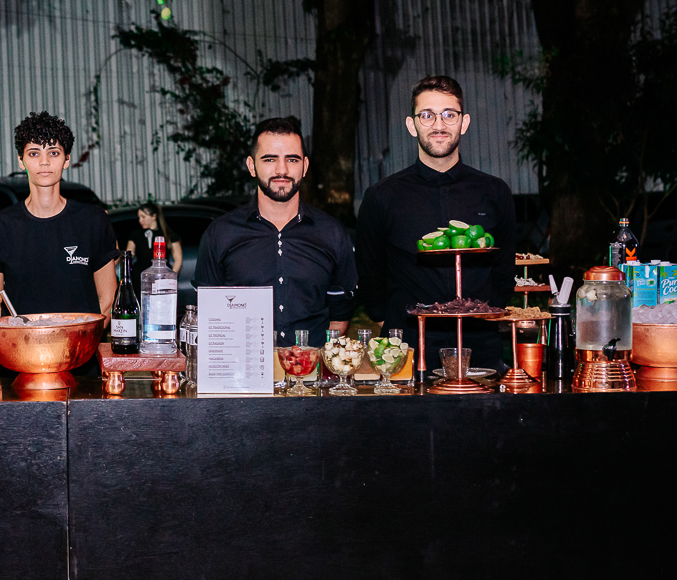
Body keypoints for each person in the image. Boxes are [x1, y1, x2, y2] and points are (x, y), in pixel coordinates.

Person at [355, 75, 516, 371]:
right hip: (409, 348)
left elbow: (505, 269)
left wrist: (482, 314)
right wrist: (389, 321)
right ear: (411, 124)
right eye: (427, 115)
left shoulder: (494, 192)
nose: (439, 126)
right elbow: (369, 273)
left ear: (464, 123)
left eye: (449, 115)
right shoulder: (382, 196)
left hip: (479, 344)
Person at [194, 116, 356, 349]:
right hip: (243, 378)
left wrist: (312, 362)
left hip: (309, 377)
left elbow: (340, 314)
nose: (282, 170)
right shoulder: (220, 234)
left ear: (305, 166)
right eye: (270, 159)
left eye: (292, 159)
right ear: (252, 166)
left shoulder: (332, 234)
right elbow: (208, 314)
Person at [0, 112, 119, 359]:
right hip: (19, 361)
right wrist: (17, 352)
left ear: (66, 160)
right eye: (34, 153)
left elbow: (106, 299)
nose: (44, 162)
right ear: (21, 161)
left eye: (53, 152)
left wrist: (79, 348)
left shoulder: (93, 221)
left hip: (81, 360)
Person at [126, 202, 183, 287]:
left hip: (161, 279)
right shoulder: (136, 235)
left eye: (143, 217)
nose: (140, 220)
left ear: (153, 216)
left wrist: (170, 278)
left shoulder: (167, 234)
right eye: (139, 218)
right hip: (139, 280)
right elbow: (129, 254)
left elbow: (178, 259)